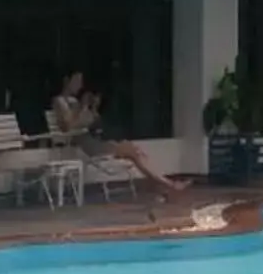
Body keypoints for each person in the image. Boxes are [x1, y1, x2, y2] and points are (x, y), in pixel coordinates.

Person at [47, 70, 186, 201]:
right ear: (66, 80)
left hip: (95, 139)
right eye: (76, 80)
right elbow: (68, 127)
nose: (79, 85)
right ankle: (168, 185)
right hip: (88, 146)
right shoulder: (59, 101)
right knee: (133, 152)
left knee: (135, 150)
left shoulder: (74, 102)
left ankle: (161, 187)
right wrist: (83, 107)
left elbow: (91, 122)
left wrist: (94, 108)